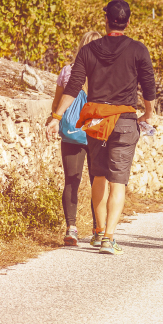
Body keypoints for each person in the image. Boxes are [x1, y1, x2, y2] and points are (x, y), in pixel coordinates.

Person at [46, 0, 156, 256]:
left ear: (106, 19)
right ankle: (108, 237)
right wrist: (148, 114)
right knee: (118, 181)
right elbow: (149, 87)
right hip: (125, 121)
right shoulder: (139, 50)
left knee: (99, 176)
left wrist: (56, 117)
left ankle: (98, 234)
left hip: (96, 121)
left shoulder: (89, 50)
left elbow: (73, 86)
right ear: (129, 21)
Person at [51, 30, 101, 246]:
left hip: (72, 131)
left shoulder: (67, 71)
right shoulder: (107, 73)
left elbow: (57, 102)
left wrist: (54, 119)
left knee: (72, 179)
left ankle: (71, 228)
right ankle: (98, 229)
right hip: (98, 131)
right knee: (97, 181)